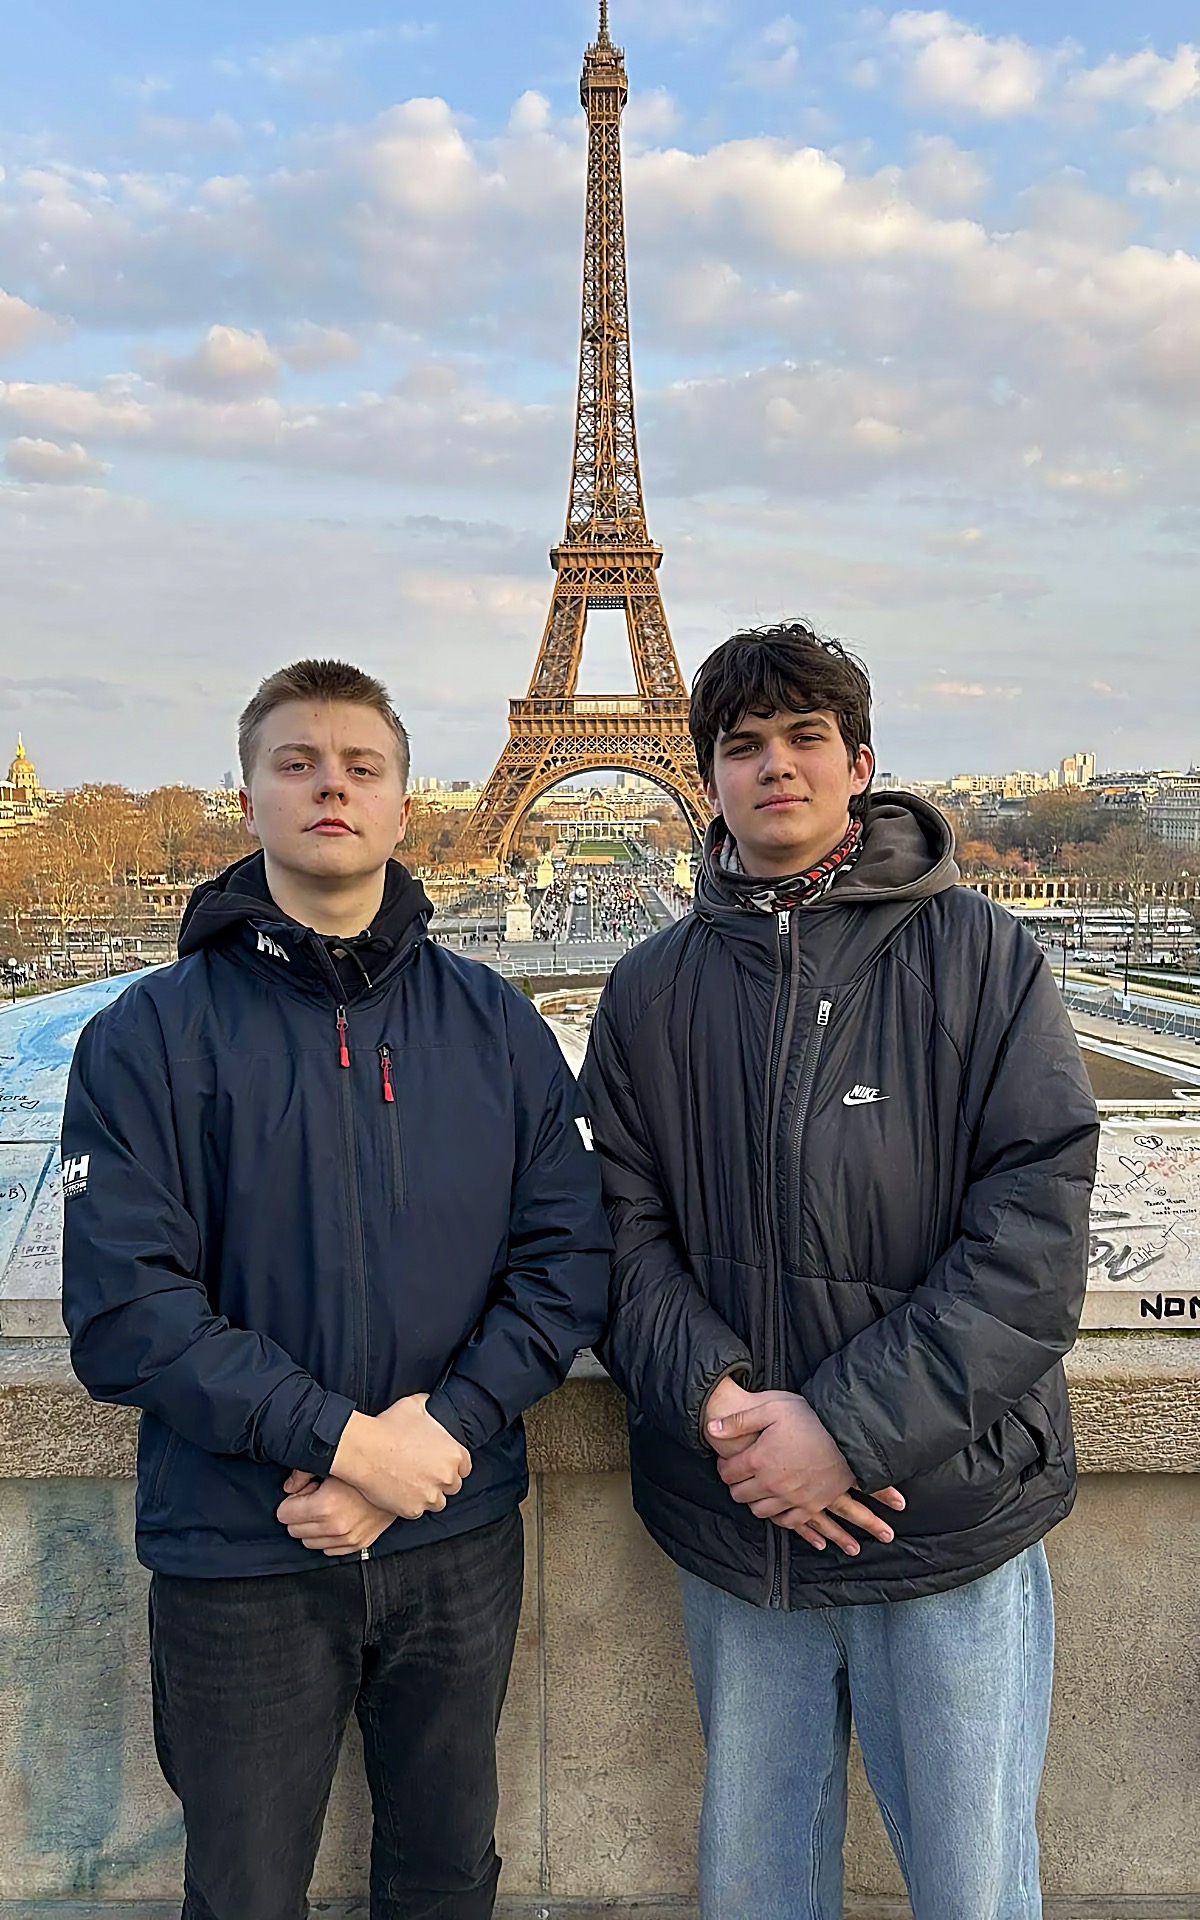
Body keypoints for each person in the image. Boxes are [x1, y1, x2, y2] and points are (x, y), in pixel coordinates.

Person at [61, 658, 610, 1920]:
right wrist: (356, 1447)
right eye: (297, 763)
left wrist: (439, 1432)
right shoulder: (144, 1034)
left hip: (447, 1524)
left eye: (360, 767)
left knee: (446, 1877)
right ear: (246, 798)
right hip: (248, 1543)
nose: (330, 787)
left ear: (405, 805)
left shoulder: (496, 1023)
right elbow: (125, 1312)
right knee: (246, 1892)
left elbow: (569, 1260)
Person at [580, 623, 1099, 1920]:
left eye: (805, 737)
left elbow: (1036, 1241)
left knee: (971, 1893)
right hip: (745, 1509)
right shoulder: (645, 992)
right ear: (706, 777)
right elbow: (615, 1233)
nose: (776, 766)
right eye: (744, 744)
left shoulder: (989, 959)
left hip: (937, 1515)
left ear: (860, 764)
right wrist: (727, 1410)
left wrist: (843, 1434)